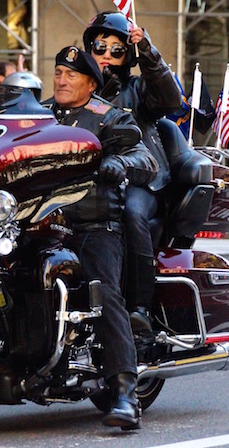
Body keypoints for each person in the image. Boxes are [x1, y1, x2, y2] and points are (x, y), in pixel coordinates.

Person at [45, 45, 156, 429]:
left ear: (91, 83)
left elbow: (146, 160)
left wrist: (118, 161)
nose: (61, 80)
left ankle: (125, 392)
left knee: (102, 292)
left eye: (70, 75)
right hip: (39, 224)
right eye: (58, 72)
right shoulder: (35, 115)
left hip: (91, 224)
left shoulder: (108, 117)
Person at [82, 11, 181, 333]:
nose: (107, 55)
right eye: (100, 46)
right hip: (88, 177)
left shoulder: (138, 89)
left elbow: (170, 99)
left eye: (117, 49)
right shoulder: (79, 88)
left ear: (128, 55)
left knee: (131, 214)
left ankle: (139, 306)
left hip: (140, 177)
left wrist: (149, 53)